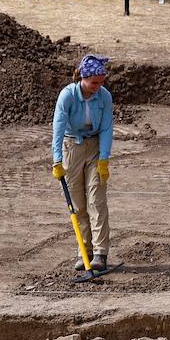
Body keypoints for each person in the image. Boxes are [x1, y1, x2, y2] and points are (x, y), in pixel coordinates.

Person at [51, 54, 115, 271]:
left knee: (96, 200)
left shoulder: (104, 96)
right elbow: (58, 128)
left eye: (102, 82)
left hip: (96, 147)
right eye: (94, 82)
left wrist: (104, 159)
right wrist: (56, 160)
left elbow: (107, 127)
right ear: (83, 78)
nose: (99, 86)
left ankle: (100, 253)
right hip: (72, 147)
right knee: (77, 204)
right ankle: (83, 252)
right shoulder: (67, 96)